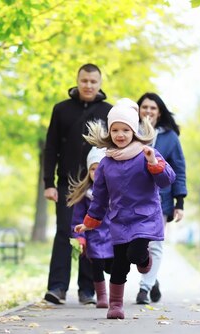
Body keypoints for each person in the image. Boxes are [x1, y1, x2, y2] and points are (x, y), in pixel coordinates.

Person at [74, 99, 176, 319]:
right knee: (119, 264)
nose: (120, 135)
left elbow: (167, 180)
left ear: (134, 131)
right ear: (109, 133)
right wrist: (90, 221)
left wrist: (153, 163)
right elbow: (99, 198)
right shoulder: (106, 164)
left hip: (145, 217)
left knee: (135, 253)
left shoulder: (147, 153)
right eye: (115, 130)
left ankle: (144, 260)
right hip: (119, 220)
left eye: (125, 130)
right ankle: (116, 305)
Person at [43, 63, 113, 305]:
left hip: (97, 184)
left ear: (100, 84)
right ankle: (57, 287)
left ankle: (88, 290)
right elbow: (50, 148)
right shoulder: (61, 110)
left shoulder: (108, 111)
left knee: (91, 232)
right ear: (77, 80)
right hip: (67, 184)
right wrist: (48, 183)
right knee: (64, 231)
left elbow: (115, 147)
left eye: (93, 81)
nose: (88, 85)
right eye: (84, 80)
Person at [134, 92, 187, 304]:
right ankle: (152, 277)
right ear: (138, 110)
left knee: (155, 244)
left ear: (159, 112)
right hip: (133, 199)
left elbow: (179, 169)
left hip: (160, 200)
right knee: (137, 246)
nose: (148, 111)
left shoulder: (170, 138)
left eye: (153, 108)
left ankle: (144, 288)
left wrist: (179, 201)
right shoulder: (128, 132)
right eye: (144, 107)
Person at [67, 147, 114, 308]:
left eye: (100, 168)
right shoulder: (85, 194)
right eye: (93, 169)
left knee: (113, 267)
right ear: (88, 172)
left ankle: (115, 292)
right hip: (93, 236)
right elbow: (77, 219)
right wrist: (79, 237)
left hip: (112, 236)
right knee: (97, 266)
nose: (96, 172)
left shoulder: (114, 191)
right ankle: (101, 296)